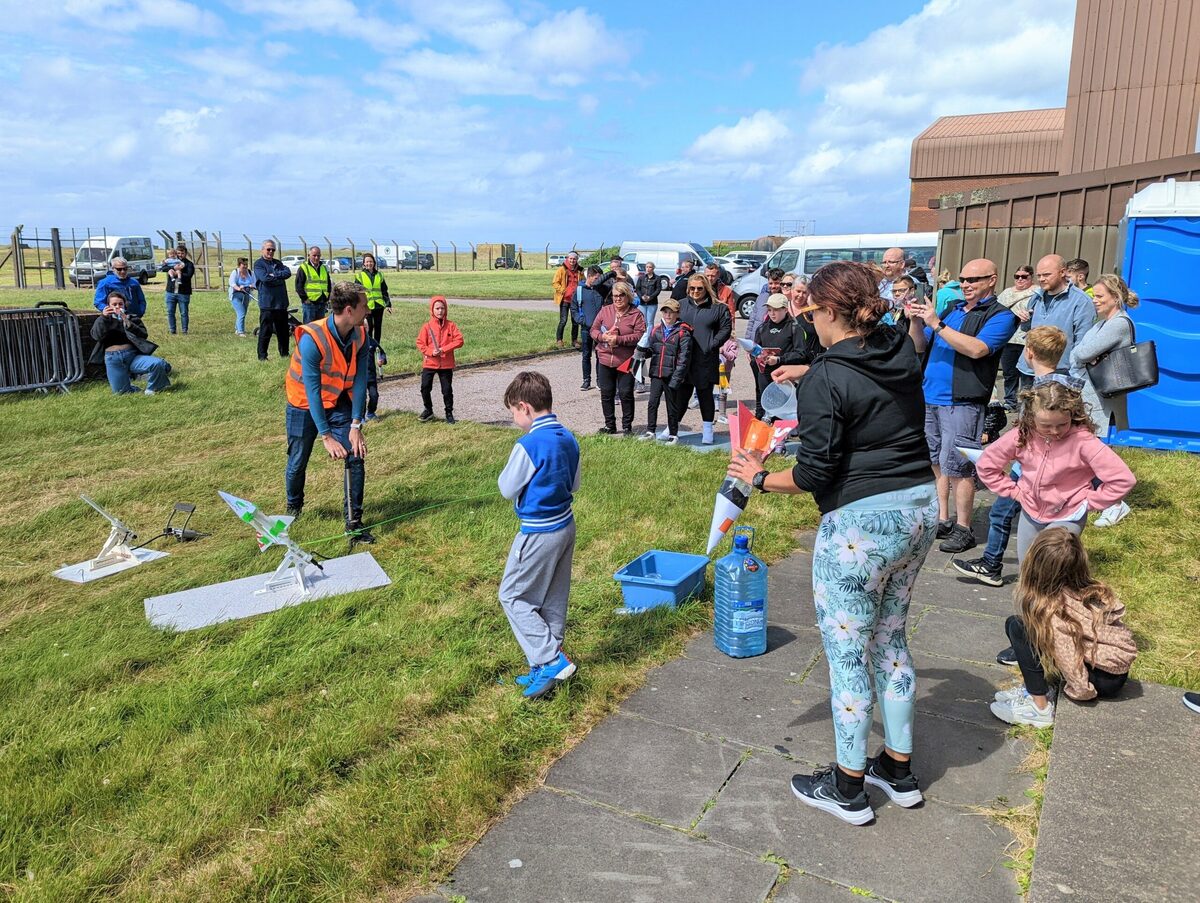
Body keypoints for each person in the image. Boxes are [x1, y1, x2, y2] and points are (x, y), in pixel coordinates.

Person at [726, 261, 938, 826]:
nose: (808, 323)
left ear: (831, 312)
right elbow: (856, 368)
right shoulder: (898, 348)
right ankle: (898, 770)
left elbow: (813, 474)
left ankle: (847, 787)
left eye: (811, 313)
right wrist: (807, 369)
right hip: (919, 508)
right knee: (891, 640)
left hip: (860, 529)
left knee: (848, 657)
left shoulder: (828, 377)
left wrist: (755, 477)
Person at [951, 326, 1082, 588]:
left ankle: (994, 566)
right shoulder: (1065, 385)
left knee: (1001, 514)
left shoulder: (1043, 390)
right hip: (1043, 467)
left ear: (1029, 353)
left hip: (1030, 470)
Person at [908, 258, 1018, 553]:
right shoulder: (951, 309)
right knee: (936, 461)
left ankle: (964, 527)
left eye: (974, 280)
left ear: (992, 279)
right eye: (963, 280)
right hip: (930, 395)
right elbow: (919, 345)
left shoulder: (1000, 316)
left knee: (959, 466)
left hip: (963, 400)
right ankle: (943, 518)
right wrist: (917, 321)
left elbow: (978, 349)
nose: (966, 286)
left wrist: (936, 323)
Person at [976, 381, 1135, 570]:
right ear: (1030, 418)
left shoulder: (1084, 442)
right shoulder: (1022, 435)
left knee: (1049, 569)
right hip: (1031, 511)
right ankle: (1027, 600)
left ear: (1073, 415)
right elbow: (987, 463)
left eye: (1062, 424)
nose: (1055, 431)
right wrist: (1013, 491)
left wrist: (1089, 502)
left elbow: (1123, 479)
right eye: (1046, 425)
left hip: (1069, 514)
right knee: (1026, 570)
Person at [989, 528, 1137, 726]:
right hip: (1112, 670)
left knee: (1018, 627)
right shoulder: (1087, 587)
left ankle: (1039, 706)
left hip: (1101, 677)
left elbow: (1067, 653)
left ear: (1036, 565)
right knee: (1025, 626)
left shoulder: (1054, 608)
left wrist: (1080, 689)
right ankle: (1035, 688)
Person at [497, 371, 581, 699]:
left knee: (514, 597)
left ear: (524, 407)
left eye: (513, 413)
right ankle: (545, 671)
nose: (514, 419)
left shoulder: (529, 443)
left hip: (538, 532)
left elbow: (506, 488)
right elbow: (574, 485)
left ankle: (549, 659)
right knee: (552, 598)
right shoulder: (569, 437)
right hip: (565, 526)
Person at [283, 282, 373, 541]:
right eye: (364, 306)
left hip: (337, 401)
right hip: (303, 403)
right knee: (298, 461)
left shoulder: (361, 334)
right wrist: (326, 435)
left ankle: (354, 522)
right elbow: (312, 390)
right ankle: (294, 509)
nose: (368, 310)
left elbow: (359, 381)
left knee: (356, 454)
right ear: (348, 309)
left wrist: (356, 425)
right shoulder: (313, 339)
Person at [1071, 274, 1139, 529]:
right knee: (1089, 451)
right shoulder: (1103, 323)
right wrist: (1084, 355)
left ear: (1115, 297)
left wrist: (1084, 356)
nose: (1095, 301)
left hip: (1101, 399)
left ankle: (1114, 502)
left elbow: (1081, 352)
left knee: (1093, 453)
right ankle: (1101, 497)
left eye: (1100, 296)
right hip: (1091, 396)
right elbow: (1081, 352)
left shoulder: (1118, 324)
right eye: (1094, 296)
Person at [1015, 254, 1096, 393]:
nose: (1041, 279)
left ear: (1063, 272)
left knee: (1052, 413)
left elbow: (1082, 342)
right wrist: (1025, 321)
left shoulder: (1081, 301)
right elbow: (1028, 330)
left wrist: (1073, 373)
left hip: (1060, 372)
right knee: (1027, 413)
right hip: (1029, 369)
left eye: (1046, 274)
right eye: (1039, 275)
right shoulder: (1036, 296)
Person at [680, 274, 733, 445]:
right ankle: (673, 426)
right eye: (692, 288)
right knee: (680, 395)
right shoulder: (680, 305)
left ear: (707, 289)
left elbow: (726, 329)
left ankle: (708, 429)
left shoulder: (718, 308)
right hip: (685, 359)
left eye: (700, 288)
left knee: (705, 395)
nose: (696, 291)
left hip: (705, 358)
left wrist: (713, 344)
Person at [589, 282, 645, 436]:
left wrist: (618, 340)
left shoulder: (636, 314)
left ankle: (627, 426)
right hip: (605, 358)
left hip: (627, 360)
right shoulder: (605, 311)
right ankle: (610, 425)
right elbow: (593, 330)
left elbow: (640, 335)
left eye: (621, 295)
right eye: (615, 296)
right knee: (606, 392)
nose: (618, 299)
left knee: (626, 393)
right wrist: (603, 337)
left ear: (628, 296)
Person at [90, 290, 172, 395]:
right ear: (108, 306)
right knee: (120, 393)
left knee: (157, 364)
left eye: (120, 304)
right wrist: (103, 317)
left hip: (132, 356)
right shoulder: (103, 320)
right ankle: (133, 388)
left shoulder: (132, 318)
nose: (117, 307)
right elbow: (96, 335)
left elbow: (143, 334)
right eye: (114, 304)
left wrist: (128, 322)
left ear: (125, 305)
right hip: (113, 359)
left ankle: (152, 389)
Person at [753, 293, 818, 419]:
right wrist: (755, 355)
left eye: (776, 310)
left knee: (782, 411)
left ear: (785, 309)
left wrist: (779, 359)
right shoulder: (762, 328)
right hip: (765, 374)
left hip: (785, 376)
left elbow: (801, 354)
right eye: (770, 310)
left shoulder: (794, 328)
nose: (772, 313)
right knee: (765, 409)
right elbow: (756, 350)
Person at [640, 298, 691, 443]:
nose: (667, 315)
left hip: (671, 375)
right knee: (652, 403)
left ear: (677, 314)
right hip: (657, 373)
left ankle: (673, 434)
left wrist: (677, 378)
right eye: (665, 312)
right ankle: (650, 431)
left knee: (672, 406)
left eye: (671, 312)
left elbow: (684, 359)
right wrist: (642, 352)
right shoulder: (656, 330)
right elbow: (653, 349)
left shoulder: (683, 333)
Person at [416, 295, 464, 424]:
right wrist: (431, 352)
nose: (440, 311)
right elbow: (420, 343)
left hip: (446, 364)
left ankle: (449, 412)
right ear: (432, 310)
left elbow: (459, 341)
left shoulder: (451, 326)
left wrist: (444, 349)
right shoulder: (427, 327)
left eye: (442, 308)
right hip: (430, 362)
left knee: (447, 390)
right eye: (437, 308)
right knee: (425, 387)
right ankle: (428, 409)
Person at [997, 265, 1036, 411]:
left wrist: (1030, 315)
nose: (1020, 279)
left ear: (1031, 277)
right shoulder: (1006, 293)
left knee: (1027, 373)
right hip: (1009, 339)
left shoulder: (1037, 292)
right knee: (1009, 373)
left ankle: (1026, 404)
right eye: (1017, 276)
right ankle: (1010, 401)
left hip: (1028, 339)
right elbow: (997, 311)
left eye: (1024, 276)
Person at [254, 240, 293, 360]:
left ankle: (284, 353)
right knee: (266, 331)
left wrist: (274, 275)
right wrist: (278, 277)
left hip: (281, 304)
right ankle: (262, 356)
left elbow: (288, 272)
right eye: (268, 249)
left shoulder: (278, 263)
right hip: (267, 304)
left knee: (283, 332)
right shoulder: (259, 264)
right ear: (263, 250)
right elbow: (265, 279)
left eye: (273, 250)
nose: (271, 252)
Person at [571, 265, 606, 391]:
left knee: (599, 355)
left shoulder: (601, 289)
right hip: (586, 328)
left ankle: (599, 380)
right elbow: (573, 308)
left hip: (600, 329)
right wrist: (581, 320)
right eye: (596, 278)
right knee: (586, 355)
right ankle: (586, 380)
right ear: (589, 276)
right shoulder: (579, 290)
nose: (598, 281)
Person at [355, 252, 391, 354]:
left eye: (371, 261)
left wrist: (388, 304)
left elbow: (384, 291)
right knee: (369, 326)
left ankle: (377, 345)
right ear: (363, 264)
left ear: (374, 263)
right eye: (367, 262)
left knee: (378, 327)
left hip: (379, 305)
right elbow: (357, 292)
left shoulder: (379, 275)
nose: (369, 264)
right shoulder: (359, 276)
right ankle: (369, 344)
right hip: (367, 306)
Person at [158, 244, 195, 335]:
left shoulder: (189, 264)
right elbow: (163, 268)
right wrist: (173, 268)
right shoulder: (171, 261)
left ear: (186, 253)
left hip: (183, 293)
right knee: (170, 312)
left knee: (184, 313)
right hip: (170, 292)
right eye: (178, 253)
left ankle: (184, 330)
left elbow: (189, 275)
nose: (180, 255)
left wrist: (179, 273)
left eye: (182, 253)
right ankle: (172, 330)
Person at [296, 246, 332, 324]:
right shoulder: (303, 268)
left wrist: (327, 297)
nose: (316, 257)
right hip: (310, 304)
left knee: (319, 328)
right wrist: (305, 299)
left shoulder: (324, 267)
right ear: (309, 255)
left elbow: (328, 283)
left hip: (322, 302)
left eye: (318, 255)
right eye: (314, 255)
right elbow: (298, 286)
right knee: (309, 328)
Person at [552, 251, 581, 348]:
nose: (572, 260)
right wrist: (563, 290)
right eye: (571, 258)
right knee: (563, 320)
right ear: (567, 259)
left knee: (575, 321)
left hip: (576, 300)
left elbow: (583, 282)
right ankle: (559, 340)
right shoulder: (561, 270)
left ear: (577, 260)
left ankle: (574, 340)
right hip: (565, 300)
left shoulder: (579, 271)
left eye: (574, 259)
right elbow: (555, 283)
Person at [228, 257, 255, 337]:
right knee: (241, 312)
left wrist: (252, 286)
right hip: (236, 295)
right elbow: (232, 284)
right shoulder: (235, 272)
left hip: (247, 295)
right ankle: (241, 331)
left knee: (243, 312)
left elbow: (255, 283)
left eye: (246, 265)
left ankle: (237, 328)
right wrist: (239, 288)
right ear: (239, 265)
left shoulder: (250, 273)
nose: (245, 266)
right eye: (244, 265)